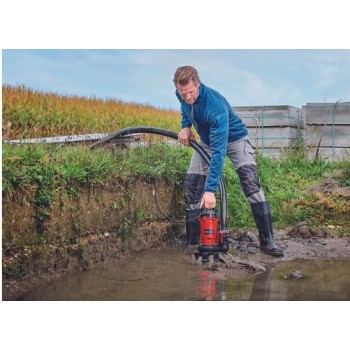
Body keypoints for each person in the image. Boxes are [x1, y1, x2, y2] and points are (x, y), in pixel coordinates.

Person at [173, 65, 283, 257]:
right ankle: (193, 243)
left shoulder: (215, 106)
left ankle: (268, 241)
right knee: (192, 184)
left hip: (235, 139)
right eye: (183, 94)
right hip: (207, 141)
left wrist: (210, 190)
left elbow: (218, 152)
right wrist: (186, 126)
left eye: (190, 92)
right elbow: (186, 109)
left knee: (250, 182)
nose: (188, 97)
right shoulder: (181, 93)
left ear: (198, 84)